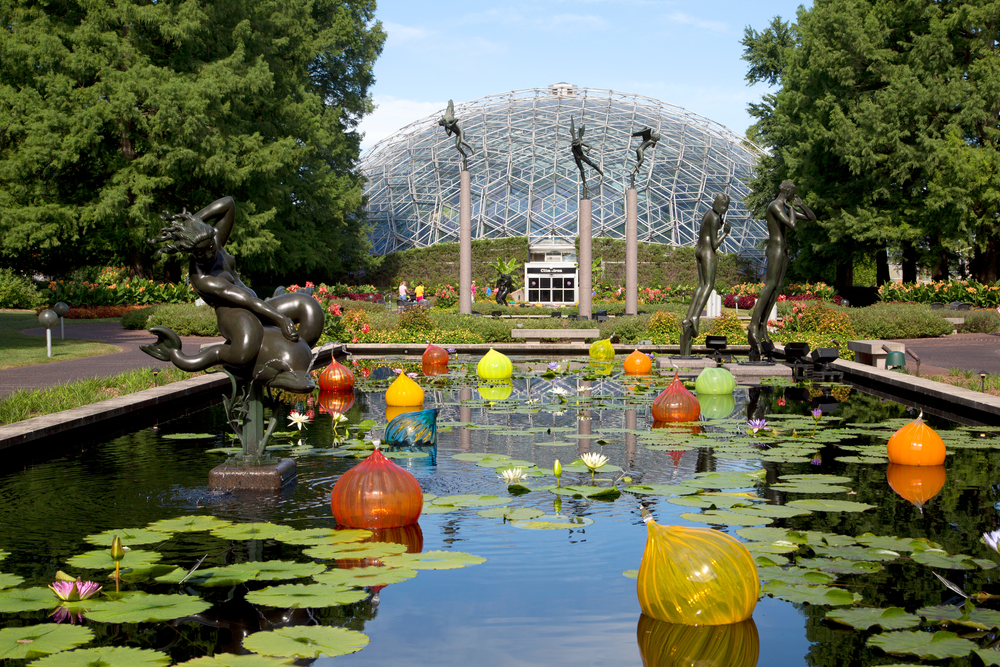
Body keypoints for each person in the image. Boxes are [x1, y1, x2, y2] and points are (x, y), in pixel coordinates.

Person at [140, 197, 323, 392]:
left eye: (210, 248)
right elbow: (246, 300)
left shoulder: (215, 241)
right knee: (244, 350)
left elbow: (228, 204)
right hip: (234, 314)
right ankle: (223, 356)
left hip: (256, 304)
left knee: (310, 308)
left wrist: (193, 223)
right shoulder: (202, 277)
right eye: (200, 253)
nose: (208, 255)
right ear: (191, 253)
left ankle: (291, 362)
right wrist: (279, 319)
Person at [748, 181, 816, 362]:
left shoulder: (786, 207)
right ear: (787, 190)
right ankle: (753, 325)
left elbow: (812, 218)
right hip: (775, 249)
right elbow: (792, 224)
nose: (794, 194)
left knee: (777, 288)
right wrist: (792, 209)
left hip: (783, 251)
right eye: (793, 191)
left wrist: (801, 205)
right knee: (770, 285)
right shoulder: (775, 206)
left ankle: (762, 326)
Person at [679, 194, 731, 356]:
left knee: (700, 285)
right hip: (709, 252)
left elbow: (707, 232)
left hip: (699, 250)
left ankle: (689, 317)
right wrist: (726, 233)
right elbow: (715, 244)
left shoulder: (708, 214)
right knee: (709, 285)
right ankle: (695, 316)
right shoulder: (715, 219)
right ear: (723, 206)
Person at [569, 117, 603, 200]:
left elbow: (590, 145)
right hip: (577, 158)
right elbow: (576, 155)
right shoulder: (573, 148)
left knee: (591, 163)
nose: (577, 146)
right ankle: (584, 183)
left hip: (581, 156)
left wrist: (588, 149)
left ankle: (599, 170)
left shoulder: (580, 143)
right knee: (582, 170)